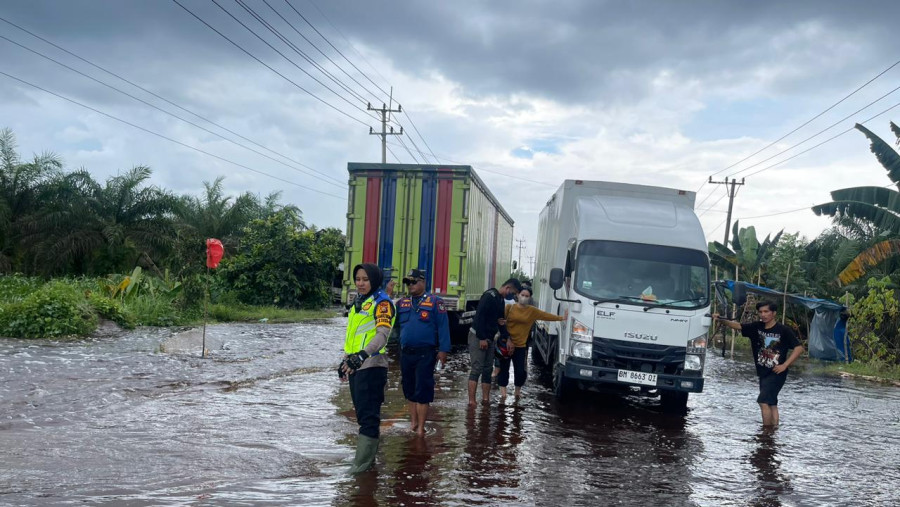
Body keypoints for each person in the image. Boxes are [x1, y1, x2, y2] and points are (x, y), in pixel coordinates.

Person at [340, 263, 395, 474]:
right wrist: (345, 362)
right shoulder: (359, 303)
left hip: (371, 367)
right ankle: (366, 462)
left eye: (365, 279)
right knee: (362, 417)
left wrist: (362, 355)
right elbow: (353, 338)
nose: (360, 283)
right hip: (356, 367)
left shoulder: (382, 304)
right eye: (358, 279)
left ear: (374, 280)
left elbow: (381, 335)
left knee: (369, 419)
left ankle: (361, 466)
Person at [714, 301, 804, 426]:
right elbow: (738, 326)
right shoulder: (757, 327)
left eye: (766, 312)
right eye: (761, 312)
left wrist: (785, 365)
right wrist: (721, 320)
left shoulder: (783, 330)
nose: (763, 314)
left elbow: (799, 348)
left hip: (777, 372)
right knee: (771, 403)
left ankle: (765, 433)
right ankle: (773, 433)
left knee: (762, 401)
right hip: (763, 372)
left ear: (774, 313)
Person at [395, 269, 451, 436]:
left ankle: (421, 427)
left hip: (425, 353)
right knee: (409, 389)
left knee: (423, 390)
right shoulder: (403, 303)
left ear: (423, 282)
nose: (410, 286)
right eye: (408, 283)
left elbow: (443, 327)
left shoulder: (435, 302)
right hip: (406, 353)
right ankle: (413, 423)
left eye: (413, 282)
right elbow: (389, 320)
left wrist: (443, 350)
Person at [495, 287, 566, 401]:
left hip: (520, 346)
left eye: (527, 296)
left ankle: (517, 392)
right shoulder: (509, 307)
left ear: (530, 298)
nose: (524, 297)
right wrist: (504, 332)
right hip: (506, 343)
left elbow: (546, 315)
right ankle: (503, 394)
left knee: (520, 372)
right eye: (522, 295)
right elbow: (501, 322)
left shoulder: (532, 311)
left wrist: (562, 318)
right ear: (518, 295)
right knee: (504, 369)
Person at [468, 277, 522, 406]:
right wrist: (481, 338)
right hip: (478, 336)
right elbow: (479, 316)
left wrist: (507, 338)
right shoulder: (489, 296)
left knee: (487, 369)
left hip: (490, 338)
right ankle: (472, 401)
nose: (513, 296)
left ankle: (486, 399)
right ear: (507, 288)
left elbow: (501, 321)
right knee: (477, 368)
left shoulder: (500, 300)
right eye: (513, 293)